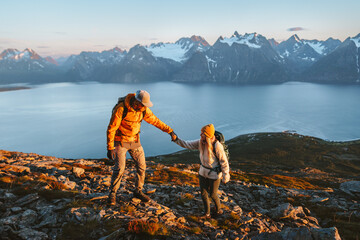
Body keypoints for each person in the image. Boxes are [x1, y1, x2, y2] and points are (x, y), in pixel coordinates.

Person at [106, 90, 177, 205]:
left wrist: (170, 131)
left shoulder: (143, 110)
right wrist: (110, 147)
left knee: (142, 166)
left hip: (134, 140)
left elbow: (156, 121)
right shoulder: (121, 109)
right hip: (120, 140)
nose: (145, 107)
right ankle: (113, 193)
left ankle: (138, 190)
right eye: (143, 105)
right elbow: (112, 128)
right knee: (120, 168)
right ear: (137, 102)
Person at [173, 124, 230, 218]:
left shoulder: (217, 146)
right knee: (203, 193)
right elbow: (187, 144)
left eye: (202, 134)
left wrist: (226, 175)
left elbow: (224, 162)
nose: (200, 135)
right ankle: (207, 213)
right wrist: (176, 139)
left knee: (213, 194)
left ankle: (219, 210)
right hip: (203, 172)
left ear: (208, 136)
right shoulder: (201, 142)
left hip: (214, 175)